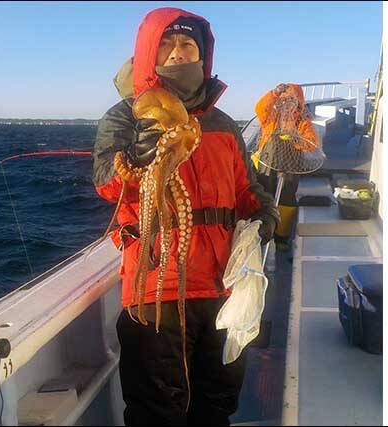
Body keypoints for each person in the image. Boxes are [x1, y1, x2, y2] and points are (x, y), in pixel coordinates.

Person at [92, 7, 279, 426]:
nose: (178, 52)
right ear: (149, 53)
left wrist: (264, 212)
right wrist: (134, 157)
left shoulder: (222, 124)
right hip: (156, 287)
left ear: (202, 55)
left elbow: (245, 187)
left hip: (224, 285)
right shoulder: (126, 116)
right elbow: (106, 182)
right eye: (167, 44)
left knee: (218, 401)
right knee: (157, 409)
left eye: (187, 44)